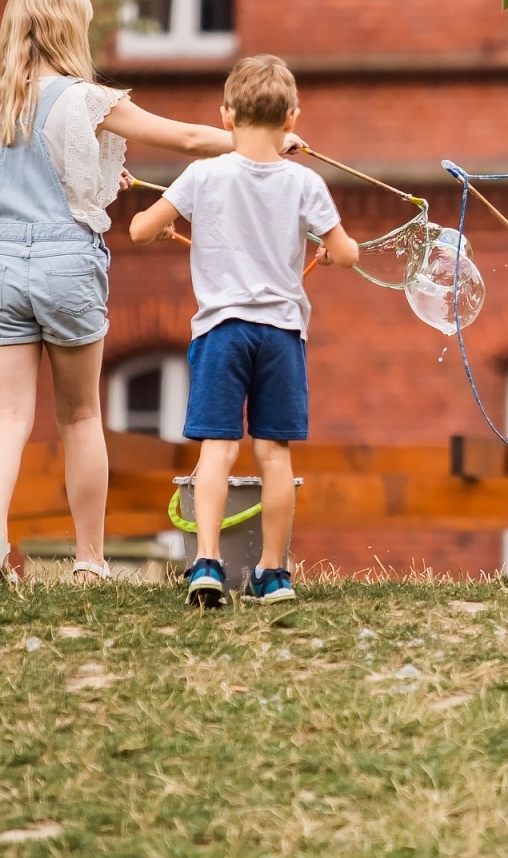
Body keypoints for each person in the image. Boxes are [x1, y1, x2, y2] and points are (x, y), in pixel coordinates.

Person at [0, 0, 303, 586]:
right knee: (80, 417)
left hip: (2, 262)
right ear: (70, 30)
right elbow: (188, 138)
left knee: (7, 417)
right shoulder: (87, 100)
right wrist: (261, 142)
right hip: (66, 263)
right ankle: (90, 560)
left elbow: (12, 185)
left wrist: (93, 182)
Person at [130, 54, 358, 606]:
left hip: (221, 332)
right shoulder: (305, 182)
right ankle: (273, 572)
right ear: (292, 119)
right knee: (274, 455)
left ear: (226, 115)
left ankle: (207, 562)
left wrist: (162, 228)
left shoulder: (203, 174)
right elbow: (348, 252)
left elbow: (138, 231)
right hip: (280, 335)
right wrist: (328, 253)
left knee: (217, 450)